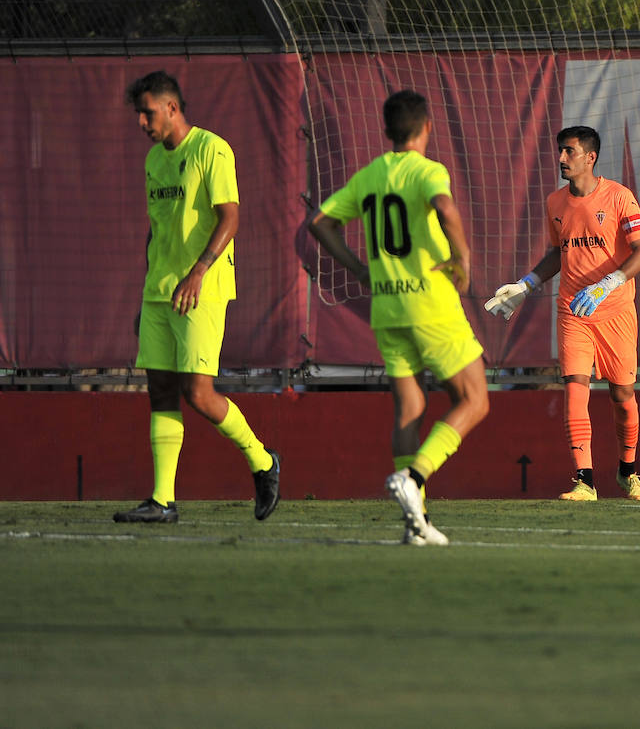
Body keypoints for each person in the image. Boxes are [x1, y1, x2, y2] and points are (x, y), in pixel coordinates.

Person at [308, 90, 489, 546]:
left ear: (386, 131)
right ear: (428, 126)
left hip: (386, 307)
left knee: (409, 408)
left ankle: (416, 523)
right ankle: (415, 476)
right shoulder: (428, 171)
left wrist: (356, 269)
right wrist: (462, 260)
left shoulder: (370, 175)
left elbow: (321, 223)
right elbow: (445, 208)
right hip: (429, 302)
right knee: (475, 400)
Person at [118, 70, 280, 524]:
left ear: (171, 108)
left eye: (147, 113)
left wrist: (198, 272)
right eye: (138, 114)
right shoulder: (154, 161)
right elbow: (157, 231)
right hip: (159, 292)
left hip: (201, 290)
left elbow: (230, 218)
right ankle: (162, 500)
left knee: (199, 394)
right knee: (161, 391)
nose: (142, 122)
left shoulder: (212, 148)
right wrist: (146, 293)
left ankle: (263, 461)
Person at [484, 125, 640, 502]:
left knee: (623, 395)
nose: (561, 159)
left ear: (590, 157)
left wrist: (608, 283)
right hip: (573, 309)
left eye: (569, 152)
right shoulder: (555, 203)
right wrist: (526, 283)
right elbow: (558, 253)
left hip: (615, 310)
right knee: (575, 388)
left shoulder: (620, 198)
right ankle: (584, 482)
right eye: (560, 151)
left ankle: (628, 471)